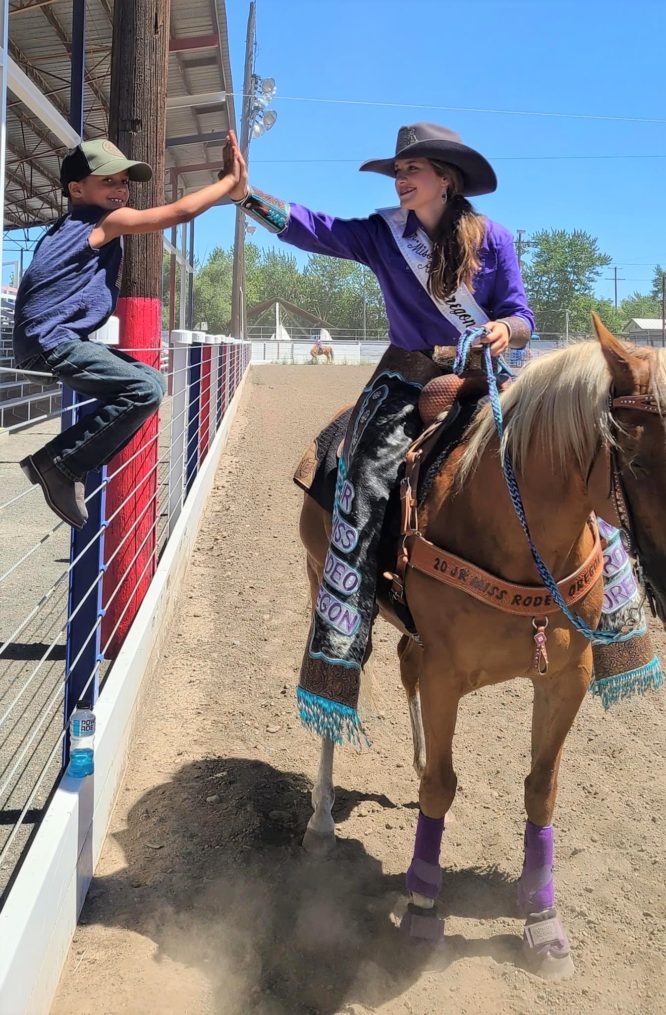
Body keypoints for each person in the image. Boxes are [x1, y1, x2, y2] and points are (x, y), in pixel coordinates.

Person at [232, 122, 535, 742]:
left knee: (568, 460)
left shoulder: (495, 238)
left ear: (445, 179)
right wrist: (246, 195)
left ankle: (609, 621)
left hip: (484, 374)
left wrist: (508, 330)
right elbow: (315, 229)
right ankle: (349, 623)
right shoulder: (381, 234)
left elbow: (521, 312)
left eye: (411, 170)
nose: (400, 180)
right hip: (407, 376)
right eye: (397, 171)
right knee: (363, 477)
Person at [14, 131, 245, 529]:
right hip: (53, 339)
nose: (120, 189)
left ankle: (66, 464)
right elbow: (178, 214)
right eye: (108, 180)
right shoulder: (105, 220)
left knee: (149, 380)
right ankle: (60, 464)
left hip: (49, 336)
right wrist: (227, 183)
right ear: (76, 188)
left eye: (123, 181)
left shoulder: (60, 230)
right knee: (145, 389)